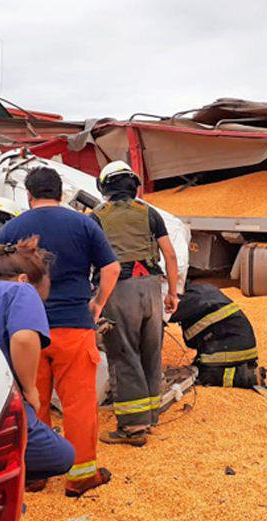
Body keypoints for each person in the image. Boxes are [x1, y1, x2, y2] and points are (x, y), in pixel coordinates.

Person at [0, 166, 120, 497]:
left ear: (29, 195)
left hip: (26, 332)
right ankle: (80, 477)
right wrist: (97, 305)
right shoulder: (84, 223)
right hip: (74, 327)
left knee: (33, 403)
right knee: (78, 403)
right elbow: (112, 268)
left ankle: (36, 473)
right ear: (61, 193)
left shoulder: (11, 229)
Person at [0, 237, 75, 490]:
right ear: (23, 278)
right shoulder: (21, 290)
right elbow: (23, 338)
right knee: (61, 455)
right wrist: (31, 390)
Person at [91, 161, 179, 447]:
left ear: (104, 186)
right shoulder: (149, 212)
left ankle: (133, 427)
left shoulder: (96, 217)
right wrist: (173, 293)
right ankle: (151, 416)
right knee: (151, 350)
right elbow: (170, 254)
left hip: (118, 288)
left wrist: (94, 300)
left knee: (123, 353)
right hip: (151, 287)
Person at [172, 282, 263, 389]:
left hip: (232, 345)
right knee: (198, 365)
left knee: (202, 374)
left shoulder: (189, 299)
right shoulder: (199, 289)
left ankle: (246, 377)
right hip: (240, 342)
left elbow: (164, 314)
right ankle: (242, 368)